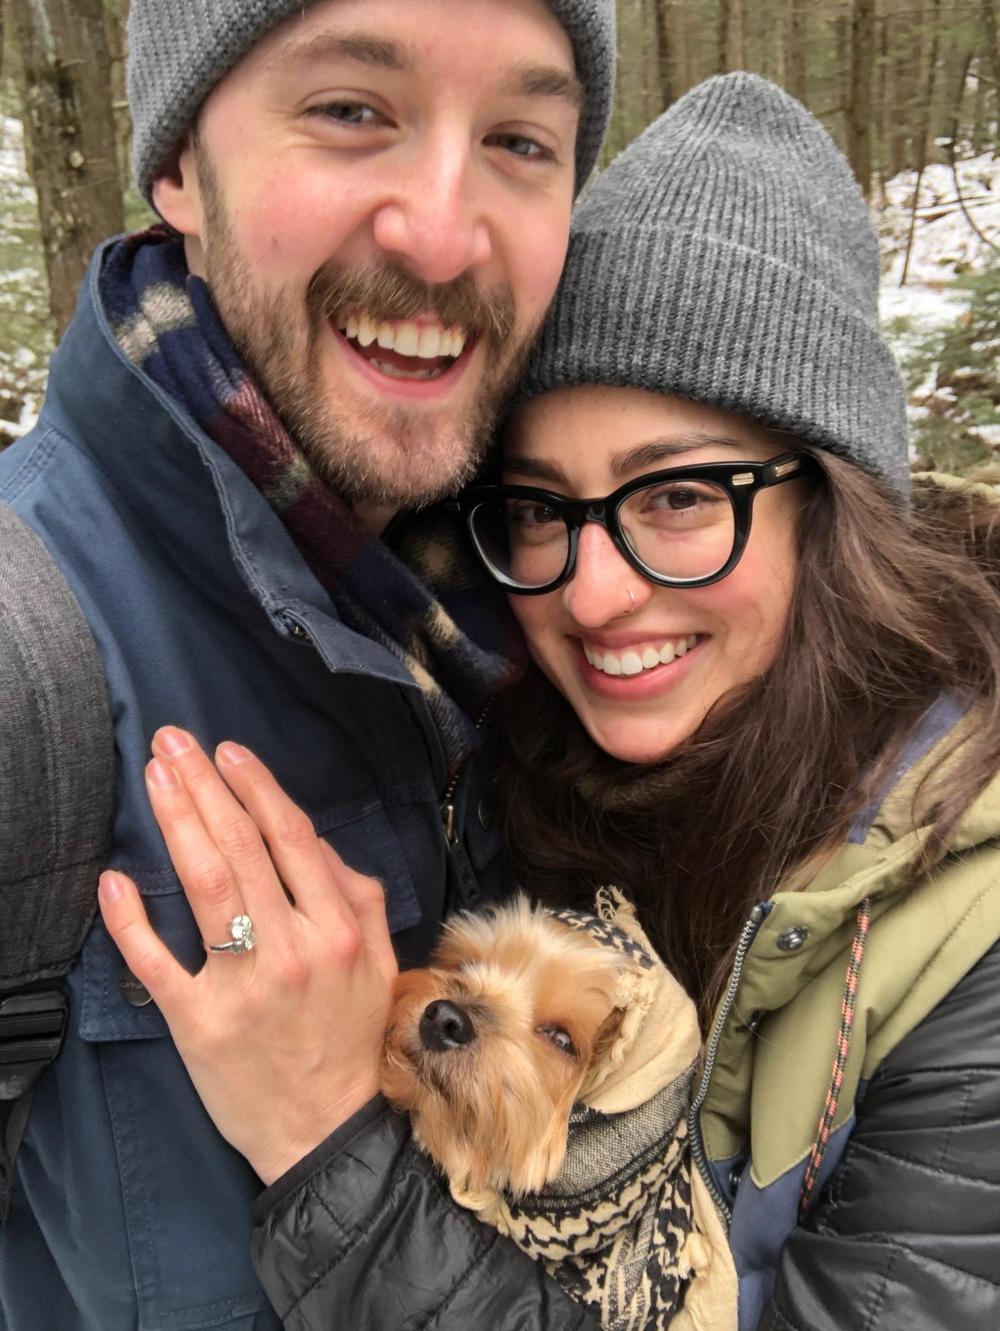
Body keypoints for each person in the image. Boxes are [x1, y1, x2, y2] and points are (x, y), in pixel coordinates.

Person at [99, 74, 1000, 1331]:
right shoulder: (515, 760)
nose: (591, 593)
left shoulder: (966, 942)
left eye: (676, 497)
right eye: (537, 507)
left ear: (832, 512)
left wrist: (325, 1148)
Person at [0, 1, 618, 1327]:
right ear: (179, 165)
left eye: (520, 139)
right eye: (350, 110)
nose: (443, 234)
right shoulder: (20, 669)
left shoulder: (583, 618)